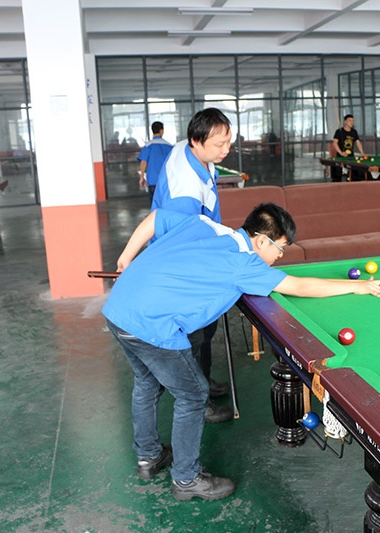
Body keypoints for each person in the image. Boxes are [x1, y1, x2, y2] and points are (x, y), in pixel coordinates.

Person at [103, 203, 380, 501]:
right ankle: (186, 479)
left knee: (147, 382)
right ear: (262, 240)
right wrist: (356, 287)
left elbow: (154, 218)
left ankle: (149, 457)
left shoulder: (206, 225)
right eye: (280, 248)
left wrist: (125, 258)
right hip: (151, 325)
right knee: (193, 395)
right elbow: (299, 286)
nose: (280, 256)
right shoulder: (244, 264)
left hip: (119, 308)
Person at [150, 108, 234, 424]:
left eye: (229, 141)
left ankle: (205, 382)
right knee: (195, 334)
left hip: (199, 252)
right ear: (196, 141)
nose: (226, 149)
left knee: (206, 327)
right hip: (182, 265)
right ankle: (200, 400)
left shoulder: (187, 149)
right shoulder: (184, 190)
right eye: (219, 144)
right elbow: (184, 242)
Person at [137, 121, 173, 205]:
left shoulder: (148, 146)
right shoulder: (169, 146)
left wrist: (142, 177)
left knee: (154, 205)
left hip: (152, 181)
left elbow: (143, 162)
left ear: (152, 131)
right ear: (162, 131)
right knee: (166, 204)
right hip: (166, 181)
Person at [330, 114, 366, 182]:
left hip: (351, 157)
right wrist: (341, 153)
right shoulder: (339, 131)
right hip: (340, 157)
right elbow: (335, 143)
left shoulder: (354, 132)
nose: (352, 122)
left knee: (355, 175)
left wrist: (362, 153)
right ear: (345, 122)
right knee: (337, 176)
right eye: (350, 120)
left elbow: (358, 143)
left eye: (353, 121)